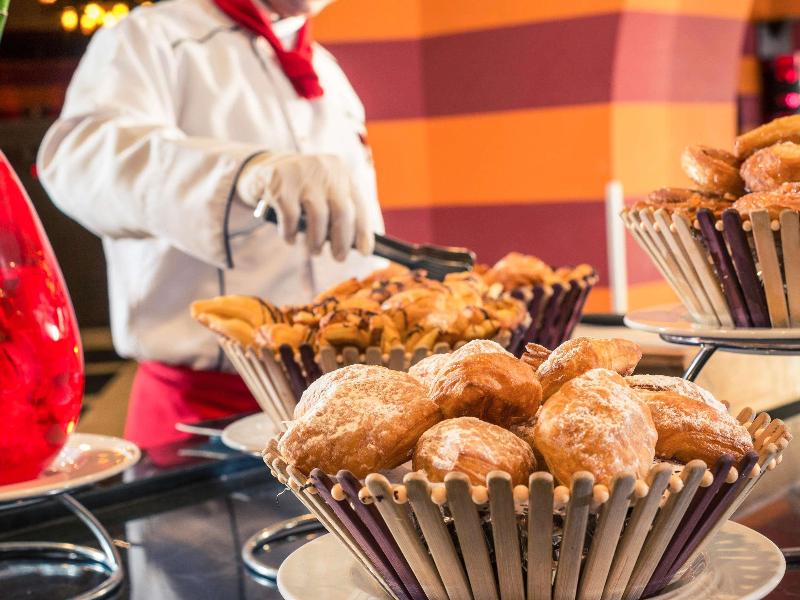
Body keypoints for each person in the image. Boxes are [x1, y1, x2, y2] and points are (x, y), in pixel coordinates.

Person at [37, 0, 384, 449]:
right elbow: (79, 160)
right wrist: (242, 173)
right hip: (204, 412)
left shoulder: (327, 71)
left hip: (338, 408)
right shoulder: (150, 36)